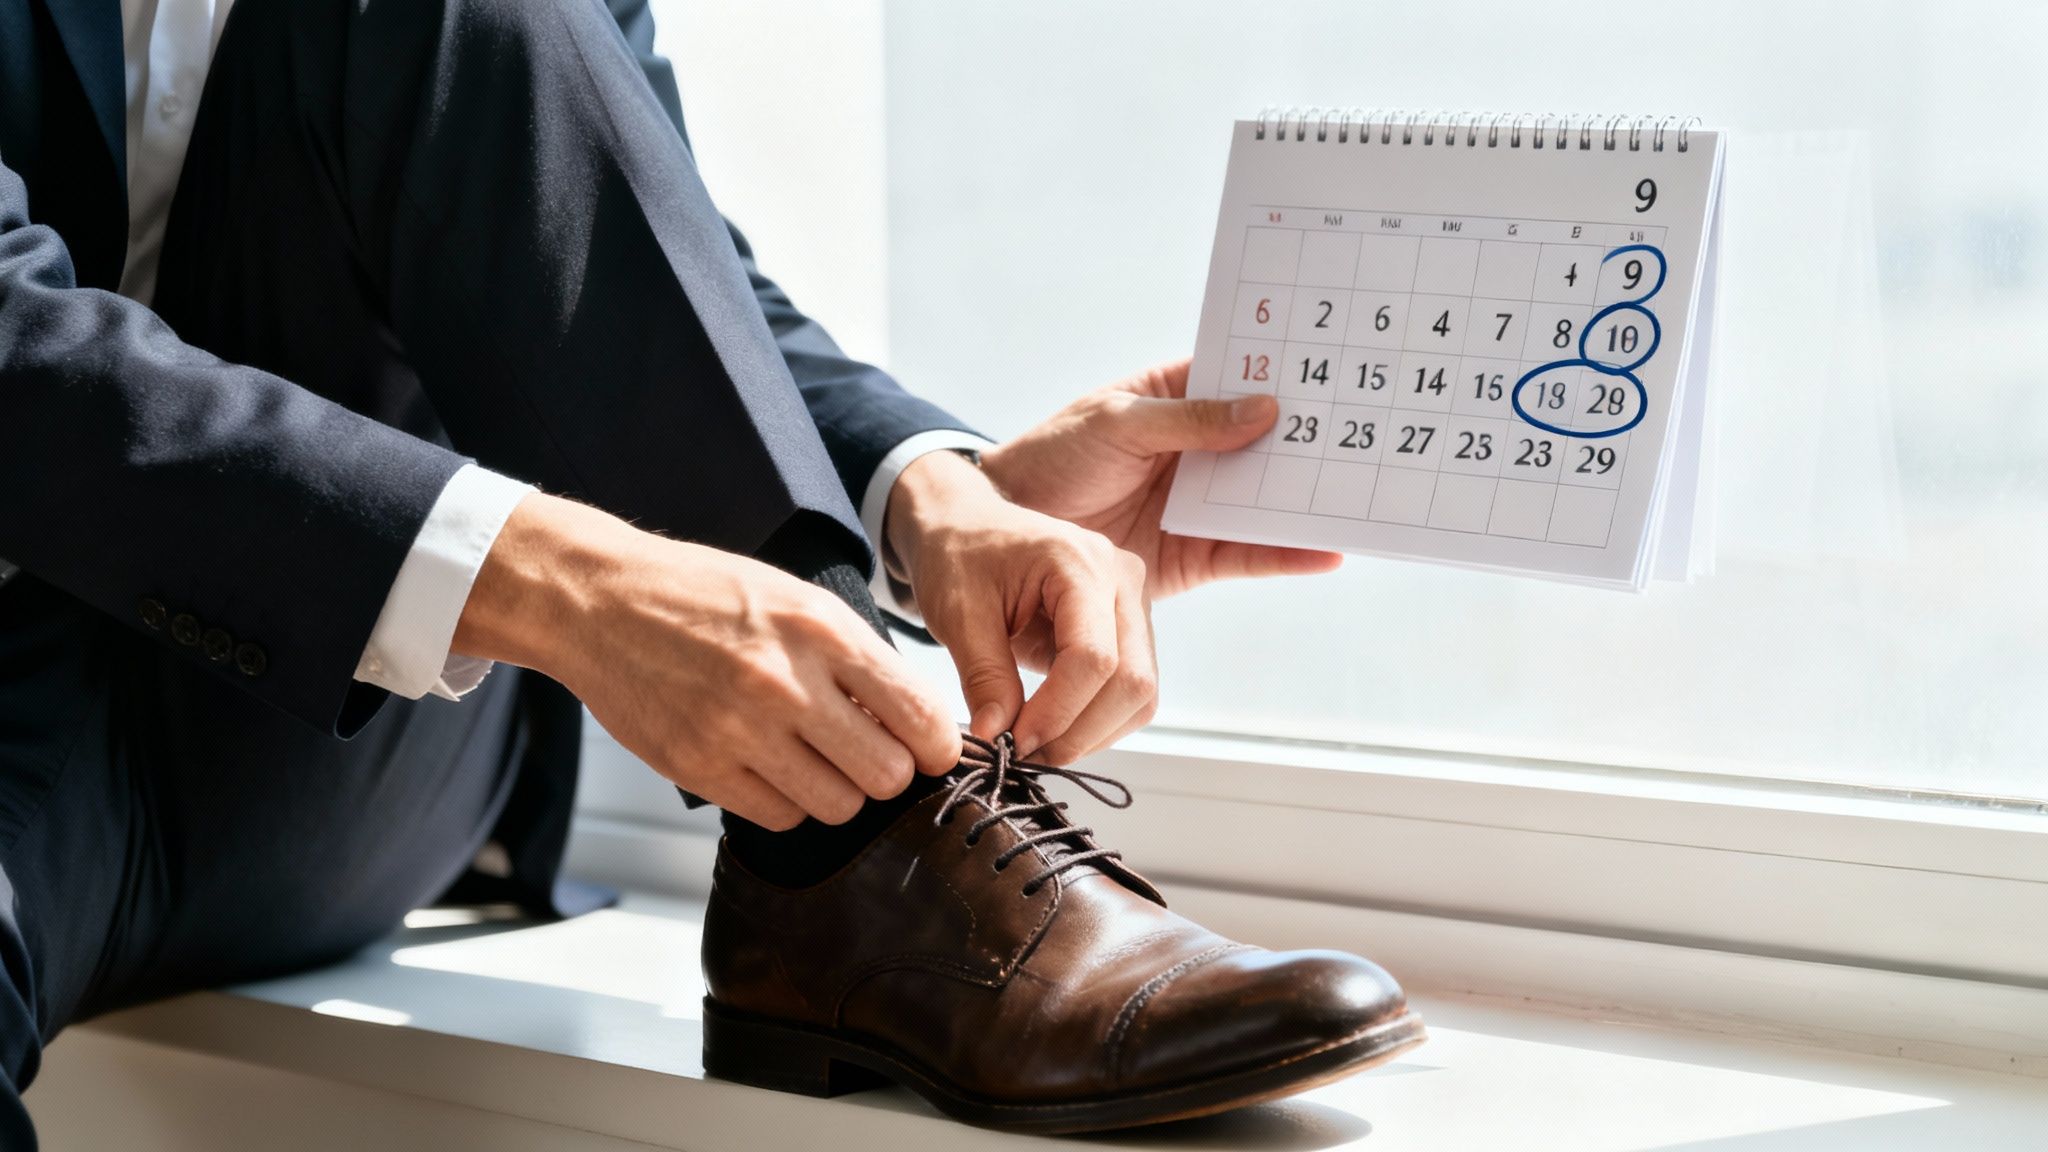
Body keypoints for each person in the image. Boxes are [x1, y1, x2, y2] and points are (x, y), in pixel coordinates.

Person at [0, 0, 1424, 1140]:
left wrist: (926, 485)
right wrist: (571, 579)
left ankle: (845, 845)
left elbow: (621, 242)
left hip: (335, 752)